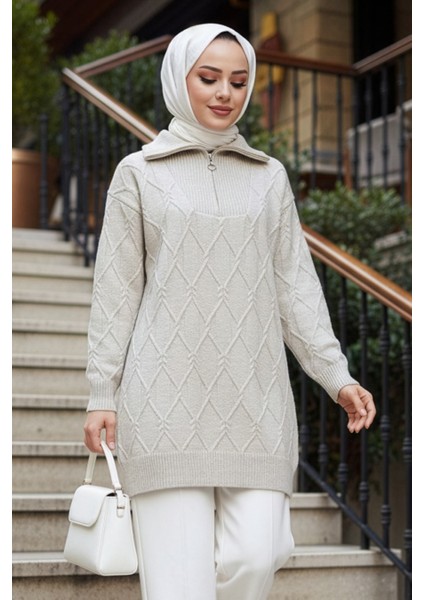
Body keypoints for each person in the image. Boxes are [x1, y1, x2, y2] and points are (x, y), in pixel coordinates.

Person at [83, 23, 376, 600]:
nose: (225, 93)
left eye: (238, 82)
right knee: (178, 584)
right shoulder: (138, 174)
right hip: (162, 402)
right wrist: (101, 393)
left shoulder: (269, 177)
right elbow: (115, 294)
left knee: (259, 553)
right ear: (179, 80)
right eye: (209, 78)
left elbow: (296, 287)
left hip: (257, 402)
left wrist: (336, 376)